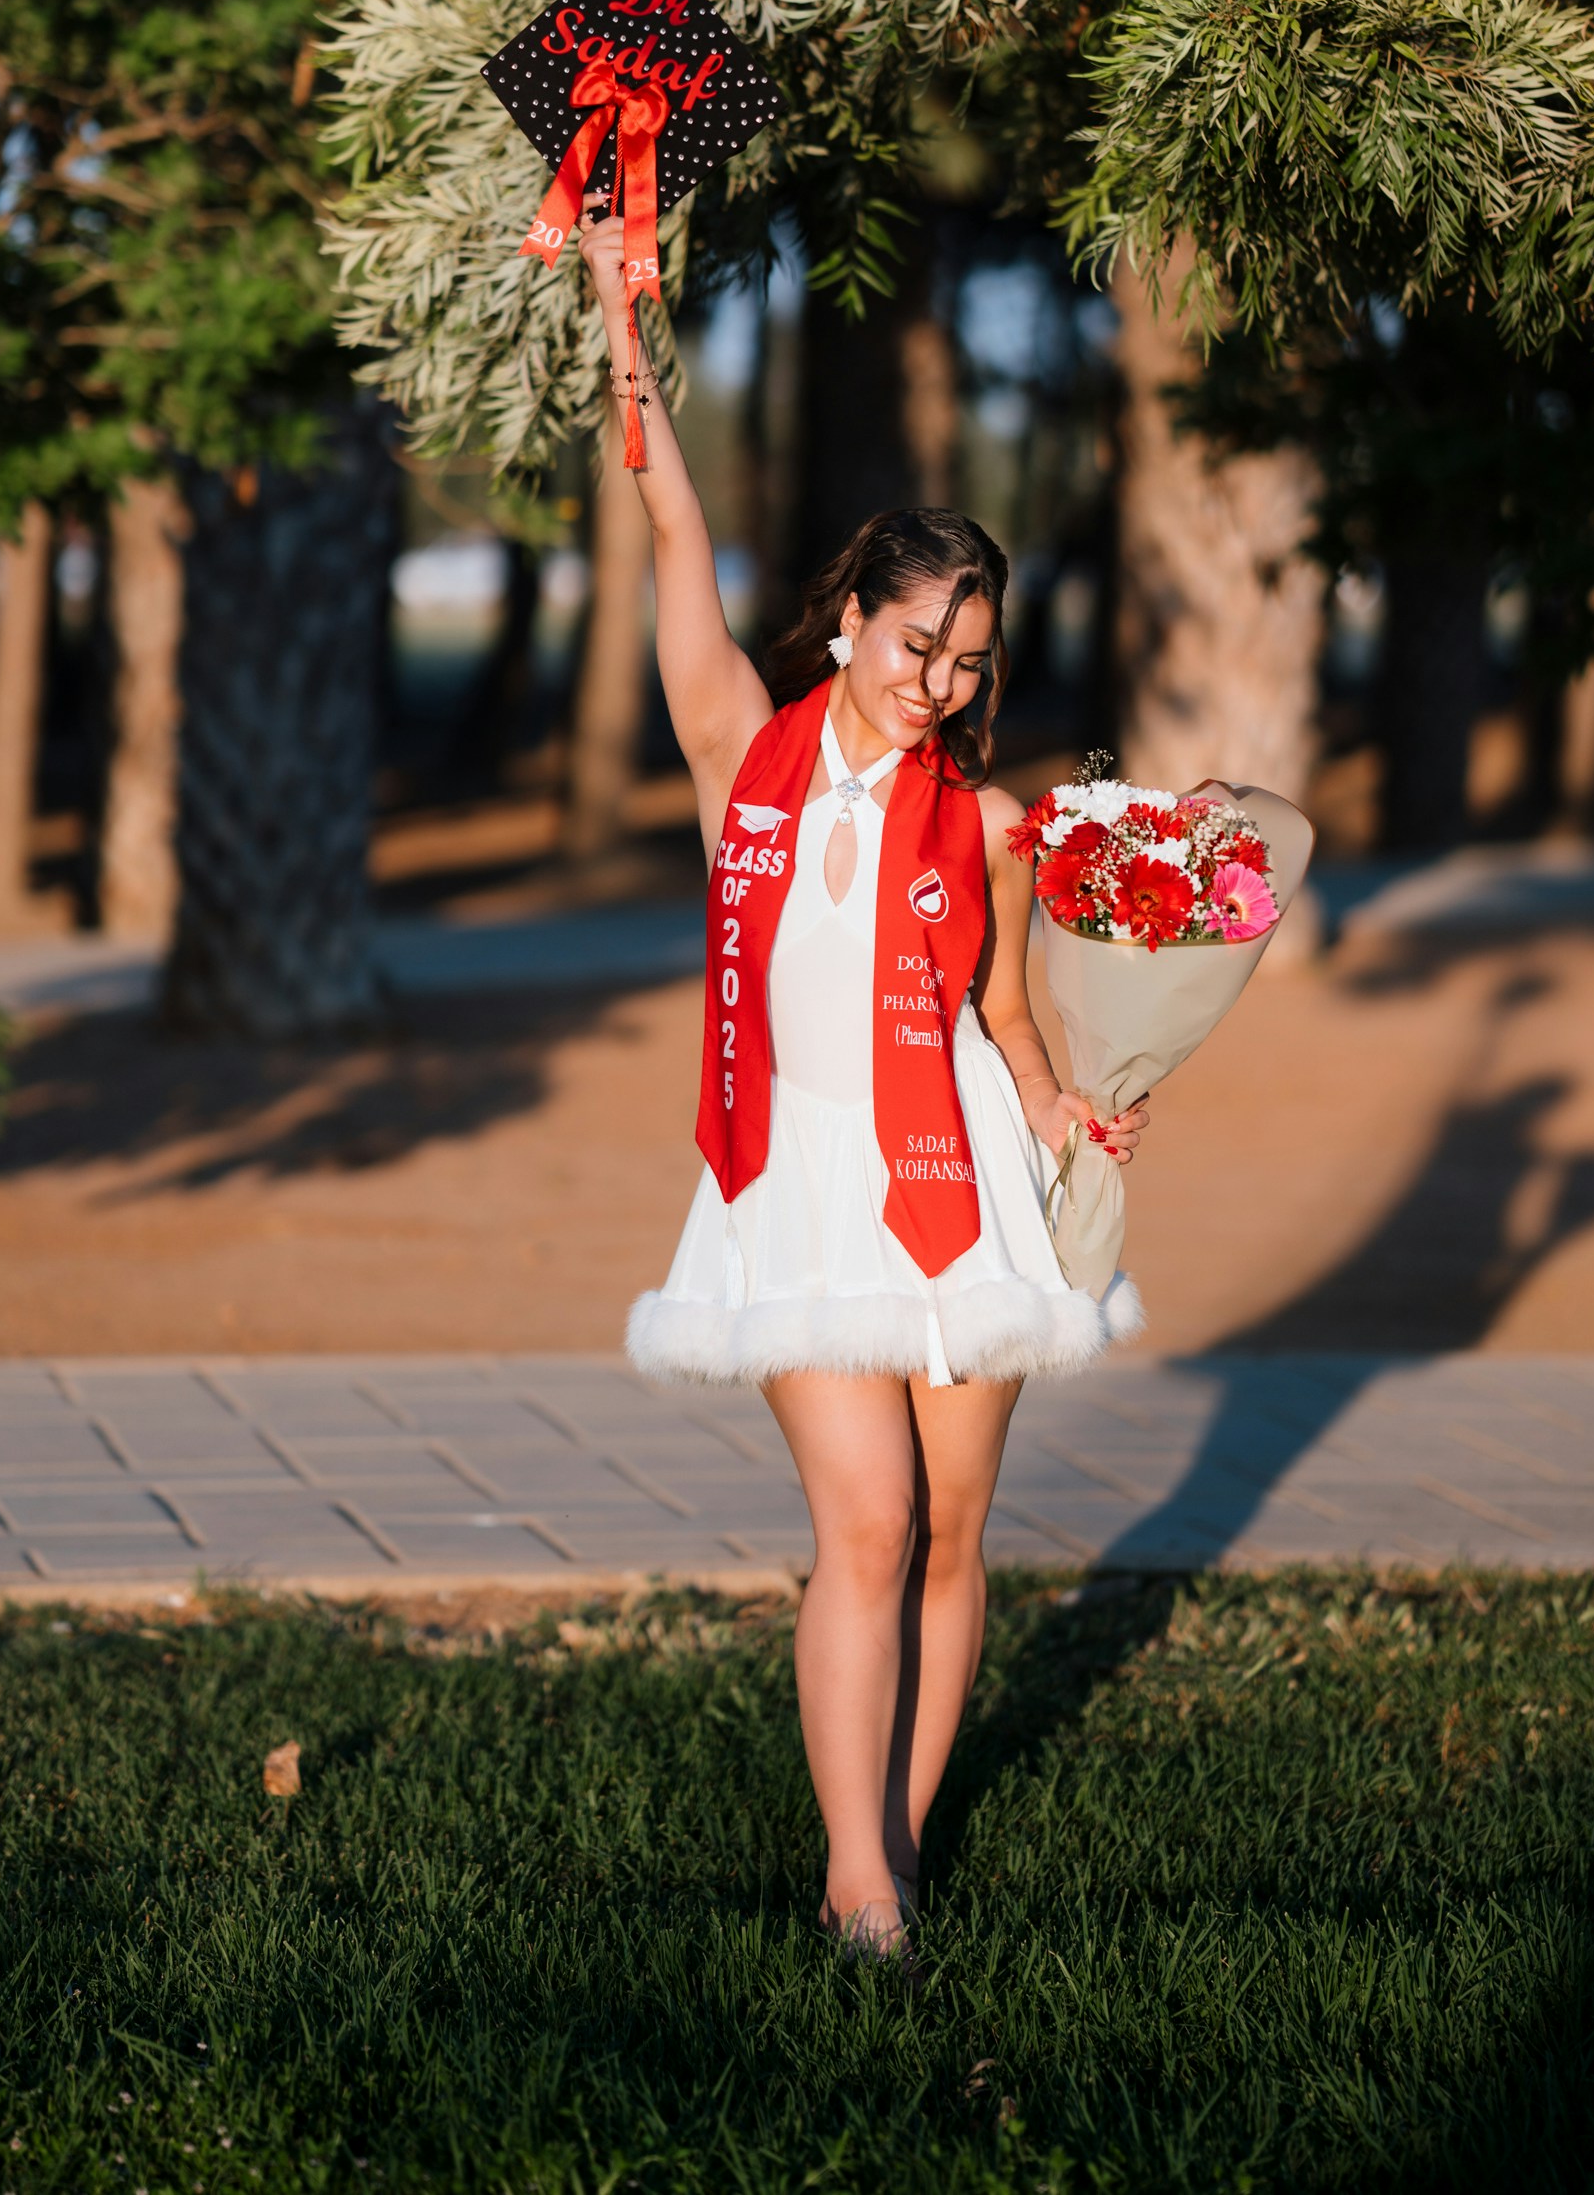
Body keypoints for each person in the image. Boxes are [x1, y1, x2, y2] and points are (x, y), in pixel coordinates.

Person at [580, 196, 1146, 1961]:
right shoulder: (735, 755)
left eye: (970, 663)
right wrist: (623, 313)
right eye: (919, 649)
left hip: (957, 1171)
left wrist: (1060, 1108)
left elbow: (1001, 1013)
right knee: (872, 1514)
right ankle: (857, 1889)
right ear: (848, 626)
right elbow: (667, 515)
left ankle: (890, 1834)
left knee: (959, 1527)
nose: (943, 684)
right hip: (798, 1182)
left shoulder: (978, 818)